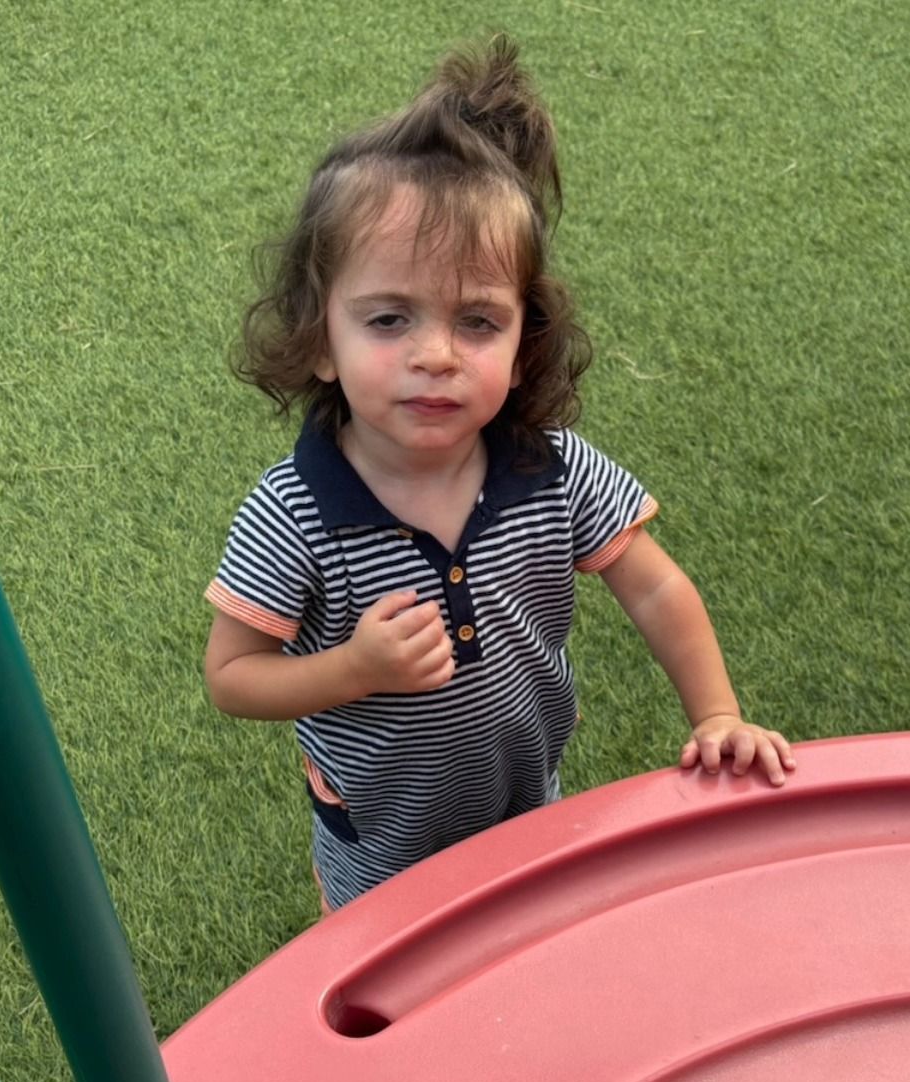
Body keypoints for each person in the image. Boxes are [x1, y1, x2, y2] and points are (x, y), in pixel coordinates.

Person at [204, 36, 794, 912]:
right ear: (320, 339)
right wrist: (354, 669)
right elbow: (233, 675)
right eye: (389, 319)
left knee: (524, 935)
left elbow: (658, 590)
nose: (435, 356)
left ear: (525, 345)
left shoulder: (548, 468)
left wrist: (716, 715)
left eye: (478, 322)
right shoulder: (294, 512)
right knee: (396, 979)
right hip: (381, 838)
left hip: (527, 796)